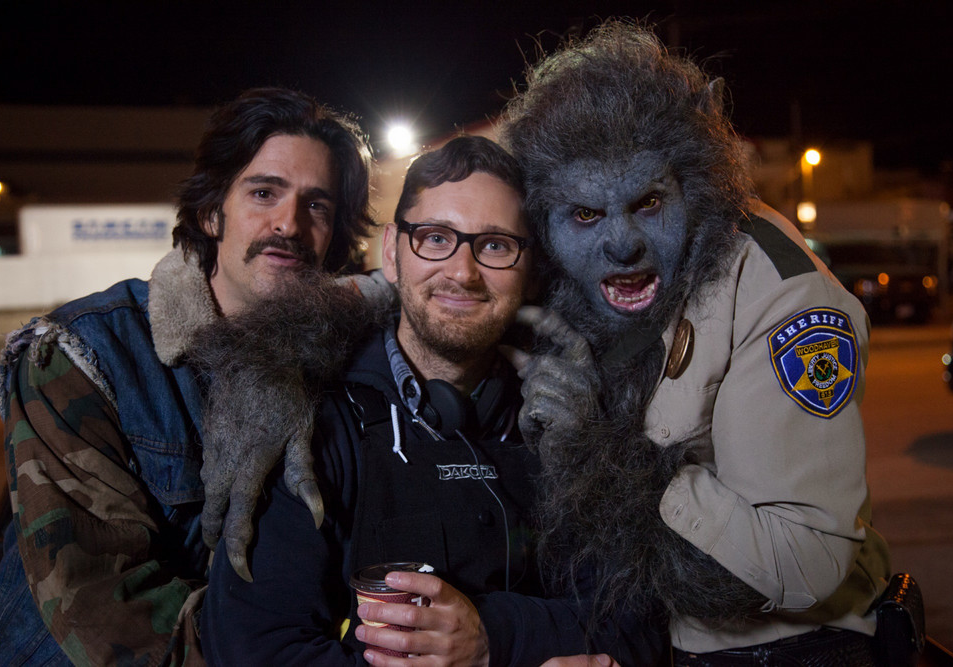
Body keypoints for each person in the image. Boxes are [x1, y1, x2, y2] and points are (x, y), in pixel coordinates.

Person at [499, 20, 892, 664]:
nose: (621, 244)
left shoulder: (784, 298)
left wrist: (594, 454)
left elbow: (807, 562)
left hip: (778, 651)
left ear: (698, 186)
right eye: (587, 215)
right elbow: (440, 286)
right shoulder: (565, 269)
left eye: (649, 202)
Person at [198, 135, 668, 666]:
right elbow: (254, 652)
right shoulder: (307, 424)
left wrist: (491, 637)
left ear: (533, 271)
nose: (462, 273)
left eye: (494, 245)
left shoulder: (571, 424)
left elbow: (642, 628)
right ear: (392, 254)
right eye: (436, 238)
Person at [0, 87, 375, 666]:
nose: (288, 223)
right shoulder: (85, 355)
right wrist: (276, 649)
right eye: (264, 192)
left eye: (317, 206)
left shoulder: (335, 361)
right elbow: (108, 611)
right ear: (212, 212)